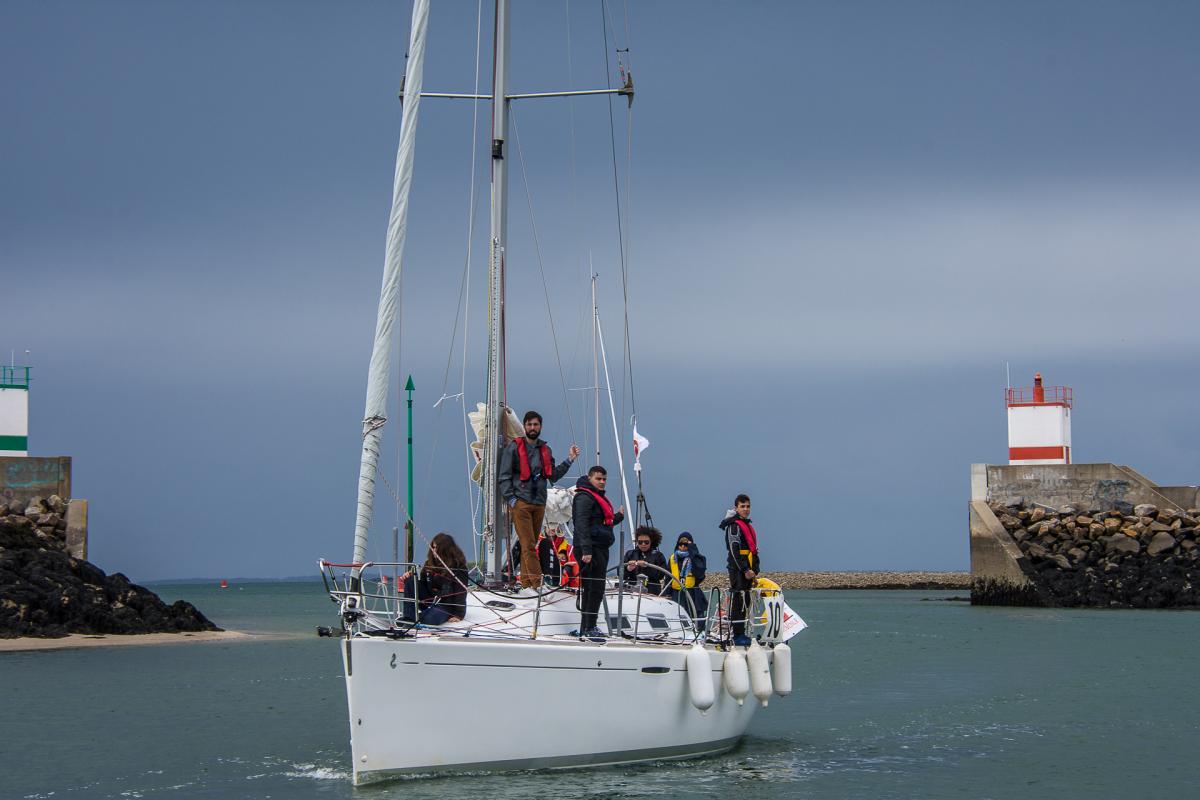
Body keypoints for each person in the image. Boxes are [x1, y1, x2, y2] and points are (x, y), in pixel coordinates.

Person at [498, 410, 579, 589]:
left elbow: (553, 475)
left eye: (535, 424)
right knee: (528, 545)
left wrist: (570, 459)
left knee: (530, 545)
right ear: (525, 426)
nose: (532, 428)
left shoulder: (546, 450)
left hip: (539, 504)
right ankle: (537, 584)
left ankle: (527, 585)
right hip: (521, 503)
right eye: (529, 424)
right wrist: (512, 500)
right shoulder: (514, 448)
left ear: (540, 426)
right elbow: (504, 476)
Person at [572, 465, 625, 637]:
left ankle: (586, 627)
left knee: (594, 588)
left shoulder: (595, 497)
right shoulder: (584, 497)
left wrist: (618, 516)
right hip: (590, 549)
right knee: (593, 588)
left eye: (604, 479)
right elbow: (581, 524)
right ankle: (589, 627)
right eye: (598, 479)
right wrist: (587, 550)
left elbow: (603, 523)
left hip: (599, 547)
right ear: (590, 479)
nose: (602, 482)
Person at [400, 532, 470, 625]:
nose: (433, 550)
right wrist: (410, 577)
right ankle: (409, 618)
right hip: (430, 600)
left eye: (436, 548)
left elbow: (461, 592)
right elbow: (423, 583)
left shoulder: (458, 567)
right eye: (433, 547)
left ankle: (417, 619)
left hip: (446, 605)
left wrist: (459, 614)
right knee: (410, 581)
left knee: (430, 619)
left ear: (445, 550)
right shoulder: (429, 563)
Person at [719, 494, 760, 647]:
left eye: (748, 506)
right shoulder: (734, 526)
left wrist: (755, 570)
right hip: (738, 570)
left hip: (748, 569)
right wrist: (745, 569)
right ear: (736, 508)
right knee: (738, 599)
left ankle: (742, 631)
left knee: (746, 599)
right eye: (742, 506)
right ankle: (737, 635)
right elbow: (734, 550)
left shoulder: (747, 525)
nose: (746, 509)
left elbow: (753, 550)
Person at [667, 531, 709, 625]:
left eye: (686, 544)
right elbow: (668, 577)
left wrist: (692, 551)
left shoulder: (698, 558)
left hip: (693, 593)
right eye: (680, 544)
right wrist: (667, 594)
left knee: (696, 618)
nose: (683, 547)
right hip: (676, 594)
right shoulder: (672, 559)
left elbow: (700, 574)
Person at [622, 526, 668, 595]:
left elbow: (661, 575)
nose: (643, 544)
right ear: (637, 542)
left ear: (651, 541)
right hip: (632, 592)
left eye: (646, 542)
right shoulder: (630, 554)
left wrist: (647, 566)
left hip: (652, 592)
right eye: (640, 542)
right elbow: (620, 574)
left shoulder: (658, 555)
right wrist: (628, 569)